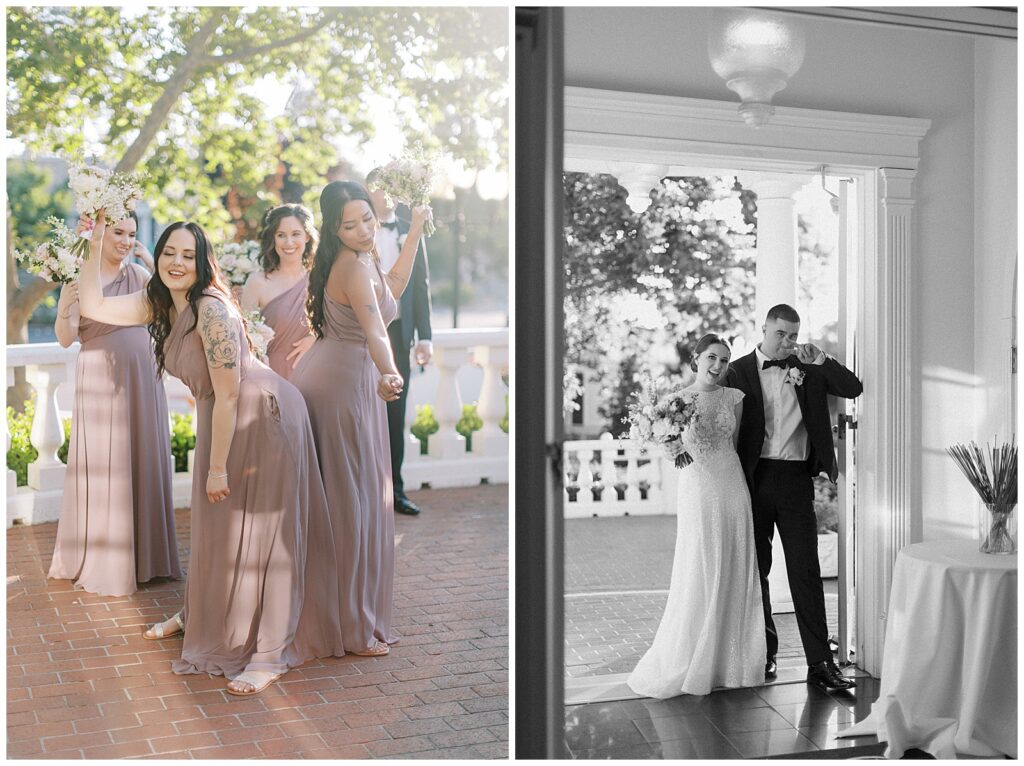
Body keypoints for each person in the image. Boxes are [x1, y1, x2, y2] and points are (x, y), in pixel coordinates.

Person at [78, 213, 344, 696]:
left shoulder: (212, 310)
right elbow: (93, 304)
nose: (176, 263)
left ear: (203, 263)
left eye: (187, 255)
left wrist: (217, 466)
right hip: (223, 418)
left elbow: (229, 393)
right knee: (218, 527)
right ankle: (202, 611)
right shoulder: (159, 302)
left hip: (262, 419)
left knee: (266, 536)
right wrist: (94, 239)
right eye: (168, 253)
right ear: (157, 258)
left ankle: (268, 652)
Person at [292, 181, 431, 656]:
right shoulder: (350, 264)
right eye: (349, 225)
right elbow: (375, 328)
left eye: (367, 220)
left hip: (349, 378)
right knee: (348, 506)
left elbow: (392, 290)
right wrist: (390, 371)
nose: (362, 230)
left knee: (355, 500)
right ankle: (350, 626)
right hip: (341, 386)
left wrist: (413, 232)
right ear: (333, 228)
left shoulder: (365, 256)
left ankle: (347, 613)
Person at [723, 303, 862, 692]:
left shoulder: (810, 368)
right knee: (757, 570)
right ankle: (764, 653)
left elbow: (853, 388)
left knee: (806, 570)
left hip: (796, 479)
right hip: (752, 479)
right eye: (779, 333)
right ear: (764, 329)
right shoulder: (737, 371)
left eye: (793, 335)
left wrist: (821, 360)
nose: (786, 342)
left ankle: (819, 664)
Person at [48, 211, 181, 597]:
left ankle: (147, 559)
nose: (124, 240)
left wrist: (151, 262)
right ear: (99, 234)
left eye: (131, 234)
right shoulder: (78, 278)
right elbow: (64, 338)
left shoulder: (139, 276)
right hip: (101, 379)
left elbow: (171, 304)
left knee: (142, 457)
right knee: (108, 464)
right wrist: (62, 309)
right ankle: (107, 559)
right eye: (117, 232)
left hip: (144, 377)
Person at [628, 334, 766, 698]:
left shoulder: (735, 398)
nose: (718, 366)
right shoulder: (676, 401)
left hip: (732, 484)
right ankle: (694, 656)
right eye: (711, 358)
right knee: (702, 563)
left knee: (735, 563)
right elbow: (663, 440)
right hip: (698, 487)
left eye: (724, 360)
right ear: (696, 359)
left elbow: (734, 445)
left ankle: (730, 662)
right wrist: (672, 447)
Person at [367, 170, 433, 516]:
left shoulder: (411, 228)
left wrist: (426, 337)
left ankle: (397, 490)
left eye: (391, 189)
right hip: (363, 332)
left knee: (396, 413)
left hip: (399, 332)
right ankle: (366, 493)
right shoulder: (356, 230)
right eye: (378, 188)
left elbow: (420, 285)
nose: (385, 195)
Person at [239, 204, 318, 379]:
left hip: (313, 372)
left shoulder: (320, 280)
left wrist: (316, 338)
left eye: (296, 234)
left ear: (307, 236)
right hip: (270, 374)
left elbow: (337, 326)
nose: (288, 242)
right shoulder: (257, 282)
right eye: (281, 235)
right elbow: (244, 338)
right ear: (272, 238)